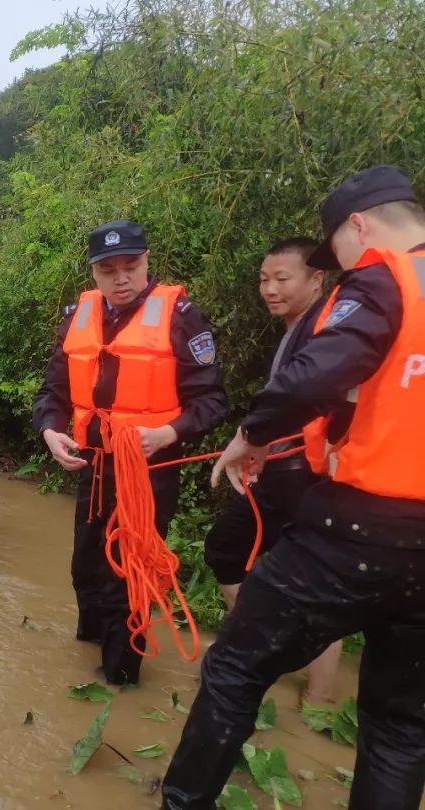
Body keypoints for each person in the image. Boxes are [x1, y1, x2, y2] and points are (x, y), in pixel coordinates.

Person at [162, 165, 425, 810]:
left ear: (358, 226)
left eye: (338, 253)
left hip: (359, 526)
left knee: (233, 668)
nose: (343, 267)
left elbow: (315, 380)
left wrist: (251, 434)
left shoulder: (388, 278)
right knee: (401, 725)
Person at [33, 220, 227, 685]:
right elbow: (53, 394)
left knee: (130, 579)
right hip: (94, 466)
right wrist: (50, 431)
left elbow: (212, 401)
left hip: (149, 473)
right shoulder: (78, 315)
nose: (121, 278)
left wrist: (168, 432)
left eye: (131, 266)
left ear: (147, 263)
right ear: (94, 274)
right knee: (87, 567)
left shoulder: (181, 316)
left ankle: (119, 681)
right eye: (108, 269)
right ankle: (87, 664)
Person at [202, 237, 342, 704]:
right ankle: (260, 648)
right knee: (227, 547)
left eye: (282, 278)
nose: (269, 288)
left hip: (314, 477)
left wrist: (254, 441)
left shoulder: (329, 329)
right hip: (281, 469)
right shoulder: (295, 330)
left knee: (313, 584)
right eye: (264, 279)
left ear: (316, 279)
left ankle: (320, 699)